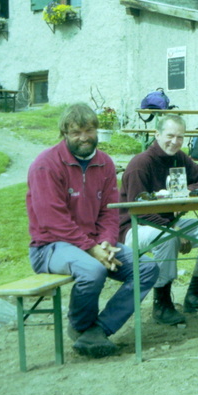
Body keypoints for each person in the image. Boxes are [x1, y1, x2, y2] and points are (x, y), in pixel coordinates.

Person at [26, 103, 158, 358]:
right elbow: (53, 219)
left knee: (147, 268)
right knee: (92, 270)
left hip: (94, 243)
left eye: (89, 130)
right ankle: (79, 325)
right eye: (76, 132)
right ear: (64, 133)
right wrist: (91, 249)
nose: (84, 137)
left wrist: (106, 242)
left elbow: (109, 212)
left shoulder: (105, 163)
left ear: (97, 130)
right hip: (50, 246)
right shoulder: (46, 164)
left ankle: (98, 330)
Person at [118, 114, 198, 326]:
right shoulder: (140, 163)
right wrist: (174, 230)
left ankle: (196, 292)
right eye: (170, 136)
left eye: (180, 137)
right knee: (167, 237)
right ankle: (161, 302)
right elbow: (139, 210)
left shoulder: (179, 158)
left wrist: (187, 190)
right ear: (157, 135)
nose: (175, 141)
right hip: (134, 228)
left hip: (167, 224)